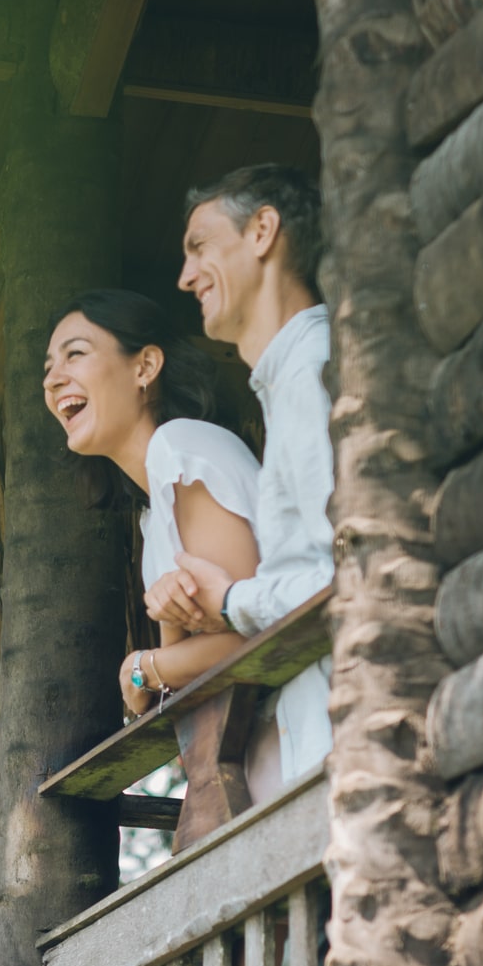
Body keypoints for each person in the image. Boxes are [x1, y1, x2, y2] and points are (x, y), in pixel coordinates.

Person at [147, 163, 335, 784]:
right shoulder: (291, 382)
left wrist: (227, 602)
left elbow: (345, 574)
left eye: (199, 247)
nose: (185, 276)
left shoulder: (313, 374)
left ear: (263, 232)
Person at [39, 289, 262, 717]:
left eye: (75, 355)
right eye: (49, 368)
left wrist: (139, 668)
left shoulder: (182, 448)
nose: (51, 380)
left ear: (144, 367)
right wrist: (165, 645)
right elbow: (185, 675)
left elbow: (252, 636)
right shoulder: (153, 512)